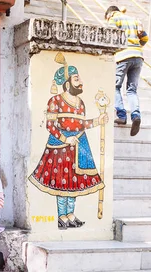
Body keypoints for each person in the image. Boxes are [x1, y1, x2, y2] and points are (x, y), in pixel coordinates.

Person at [28, 52, 108, 230]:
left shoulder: (80, 103)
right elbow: (50, 125)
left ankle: (71, 214)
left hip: (79, 145)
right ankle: (62, 216)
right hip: (59, 146)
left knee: (75, 182)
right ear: (67, 82)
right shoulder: (55, 100)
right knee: (61, 182)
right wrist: (65, 138)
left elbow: (81, 124)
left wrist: (97, 121)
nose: (81, 82)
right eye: (77, 79)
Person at [105, 6, 149, 137]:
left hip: (123, 55)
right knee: (131, 90)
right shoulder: (134, 20)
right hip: (138, 57)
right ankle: (136, 116)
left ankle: (122, 115)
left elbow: (109, 33)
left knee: (115, 86)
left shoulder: (114, 19)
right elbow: (145, 39)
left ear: (109, 14)